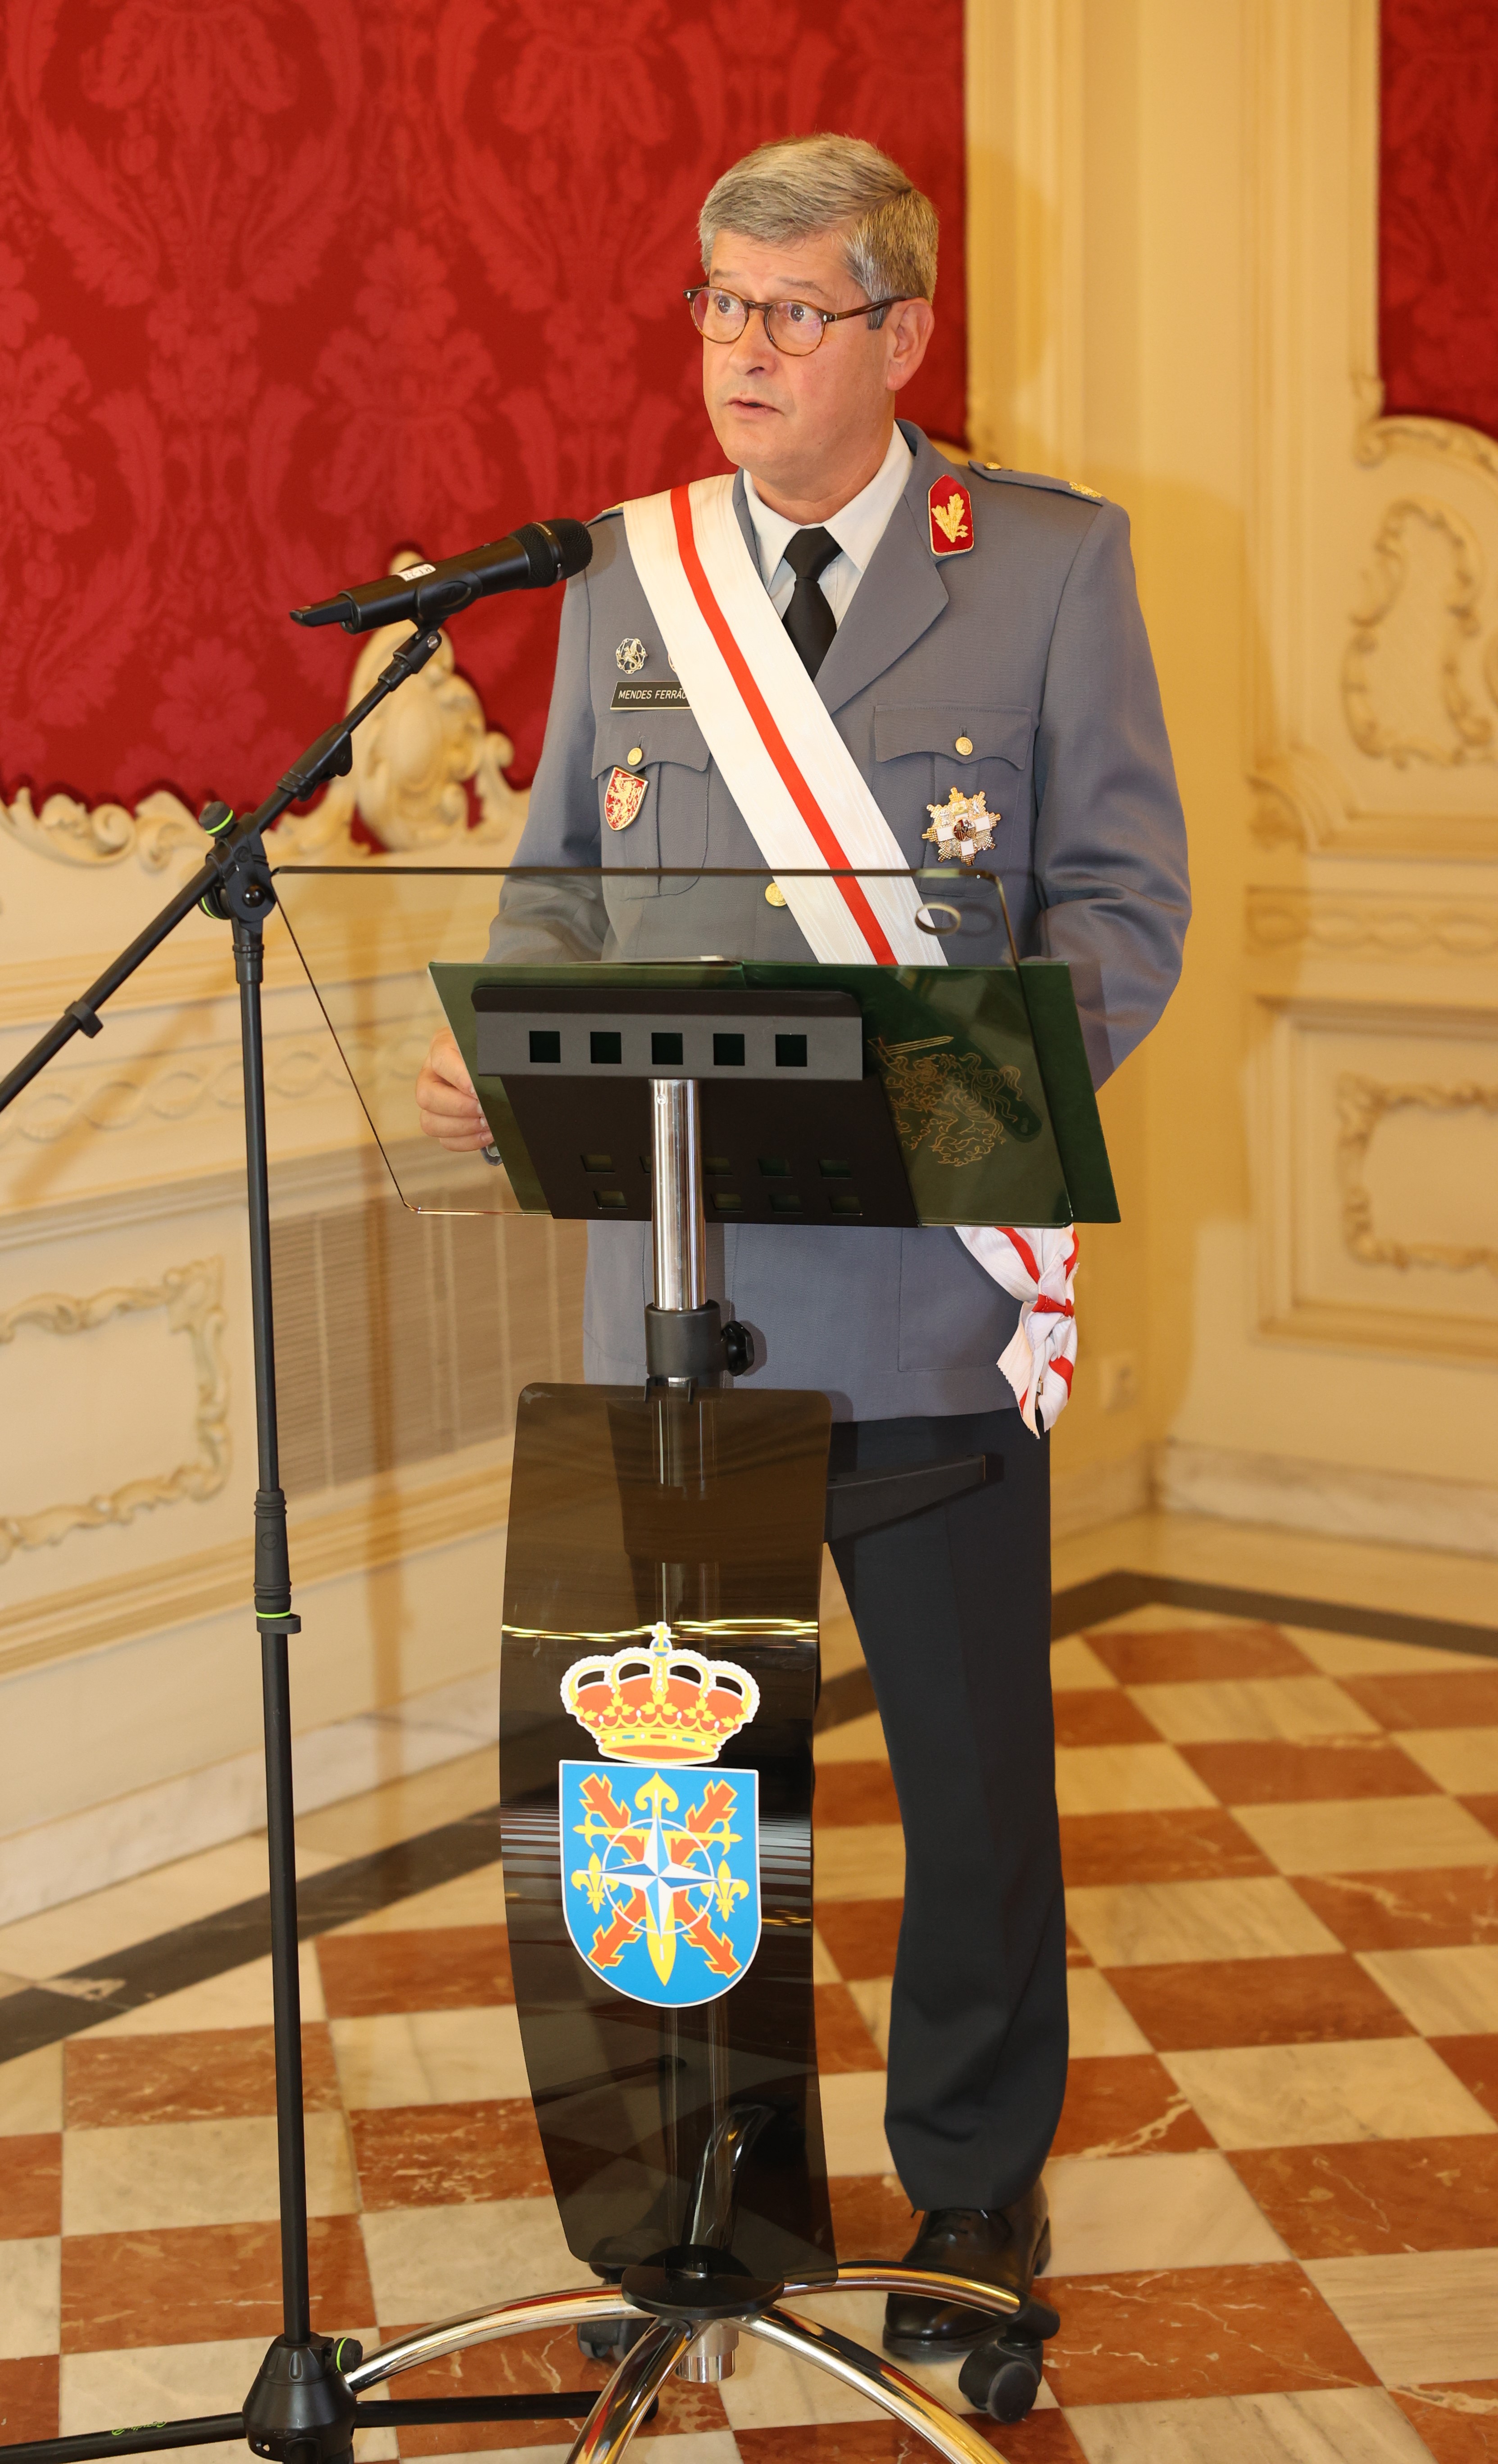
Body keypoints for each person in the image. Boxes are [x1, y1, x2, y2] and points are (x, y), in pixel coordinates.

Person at [417, 133, 1189, 2368]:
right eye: (715, 306)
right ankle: (691, 2231)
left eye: (790, 313)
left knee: (968, 1805)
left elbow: (1119, 907)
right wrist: (513, 1047)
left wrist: (938, 1127)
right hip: (671, 1303)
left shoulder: (1042, 566)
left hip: (933, 1306)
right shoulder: (627, 577)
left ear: (898, 335)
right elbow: (558, 882)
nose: (739, 352)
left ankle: (968, 2218)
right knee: (667, 1810)